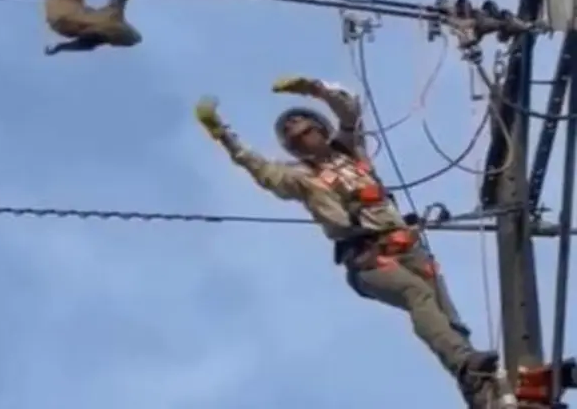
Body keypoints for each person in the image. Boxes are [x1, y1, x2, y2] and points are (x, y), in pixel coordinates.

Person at [193, 76, 499, 406]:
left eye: (306, 130)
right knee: (416, 293)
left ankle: (479, 385)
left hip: (405, 244)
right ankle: (465, 364)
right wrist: (224, 136)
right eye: (295, 139)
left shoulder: (351, 152)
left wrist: (314, 88)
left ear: (321, 131)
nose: (302, 138)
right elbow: (262, 170)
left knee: (447, 315)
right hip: (367, 257)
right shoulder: (301, 177)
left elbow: (350, 109)